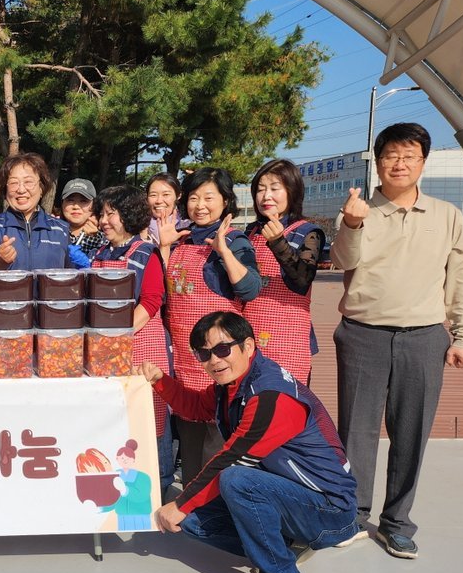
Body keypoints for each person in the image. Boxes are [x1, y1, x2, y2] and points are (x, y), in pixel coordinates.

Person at [141, 311, 360, 573]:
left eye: (222, 349)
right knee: (192, 520)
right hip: (289, 495)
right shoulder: (233, 384)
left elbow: (233, 458)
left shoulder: (271, 395)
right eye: (204, 354)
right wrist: (160, 381)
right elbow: (196, 407)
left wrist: (180, 504)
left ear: (248, 345)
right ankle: (284, 545)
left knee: (235, 480)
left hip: (330, 509)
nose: (214, 361)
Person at [332, 122, 463, 559]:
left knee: (411, 433)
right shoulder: (358, 211)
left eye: (409, 155)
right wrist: (352, 224)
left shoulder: (446, 216)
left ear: (423, 162)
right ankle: (352, 514)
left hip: (424, 337)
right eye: (391, 156)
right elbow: (342, 260)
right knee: (355, 431)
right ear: (378, 163)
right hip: (363, 334)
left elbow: (462, 278)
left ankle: (397, 522)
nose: (400, 163)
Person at [158, 167, 262, 484]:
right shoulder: (181, 240)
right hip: (187, 363)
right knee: (191, 457)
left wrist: (224, 252)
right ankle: (194, 507)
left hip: (220, 362)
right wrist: (164, 248)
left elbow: (250, 288)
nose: (200, 205)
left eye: (208, 197)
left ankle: (222, 508)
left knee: (220, 454)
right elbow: (166, 293)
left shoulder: (236, 240)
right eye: (193, 198)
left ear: (225, 201)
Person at [90, 184, 174, 491]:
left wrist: (121, 333)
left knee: (150, 417)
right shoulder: (100, 254)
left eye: (111, 214)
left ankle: (159, 485)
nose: (104, 221)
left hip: (142, 344)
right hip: (109, 347)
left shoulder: (146, 253)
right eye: (101, 214)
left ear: (129, 214)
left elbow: (151, 301)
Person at [243, 158, 325, 384]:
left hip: (287, 337)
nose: (266, 196)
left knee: (285, 399)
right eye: (260, 189)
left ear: (292, 191)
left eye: (274, 188)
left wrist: (278, 242)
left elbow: (301, 281)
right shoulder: (251, 232)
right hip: (248, 334)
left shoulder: (308, 232)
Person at [0, 152, 73, 271]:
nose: (21, 190)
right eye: (14, 183)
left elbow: (72, 274)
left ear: (41, 188)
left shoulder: (61, 229)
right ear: (5, 189)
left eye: (28, 182)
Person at [60, 178, 106, 261]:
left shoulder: (103, 240)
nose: (76, 206)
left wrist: (96, 240)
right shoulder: (51, 232)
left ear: (93, 206)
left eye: (83, 201)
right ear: (62, 203)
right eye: (70, 200)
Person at [144, 172, 189, 244]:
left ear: (178, 195)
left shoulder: (187, 225)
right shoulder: (138, 226)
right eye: (153, 195)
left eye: (166, 194)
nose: (159, 201)